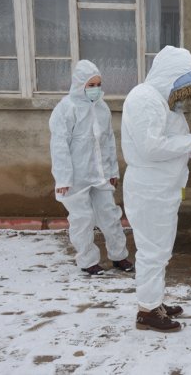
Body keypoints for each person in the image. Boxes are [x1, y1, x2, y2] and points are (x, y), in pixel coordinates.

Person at [121, 46, 191, 333]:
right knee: (151, 251)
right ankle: (147, 311)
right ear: (169, 77)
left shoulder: (164, 101)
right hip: (149, 190)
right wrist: (189, 144)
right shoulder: (144, 98)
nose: (184, 95)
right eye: (182, 86)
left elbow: (171, 140)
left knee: (161, 250)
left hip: (164, 189)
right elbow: (150, 147)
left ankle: (154, 300)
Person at [49, 60, 133, 276]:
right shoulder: (66, 109)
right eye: (91, 85)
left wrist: (113, 171)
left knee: (110, 215)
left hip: (101, 174)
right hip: (76, 177)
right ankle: (87, 261)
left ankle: (119, 256)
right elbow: (59, 146)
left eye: (98, 84)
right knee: (82, 219)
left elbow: (108, 142)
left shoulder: (102, 108)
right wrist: (63, 179)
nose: (96, 89)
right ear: (80, 85)